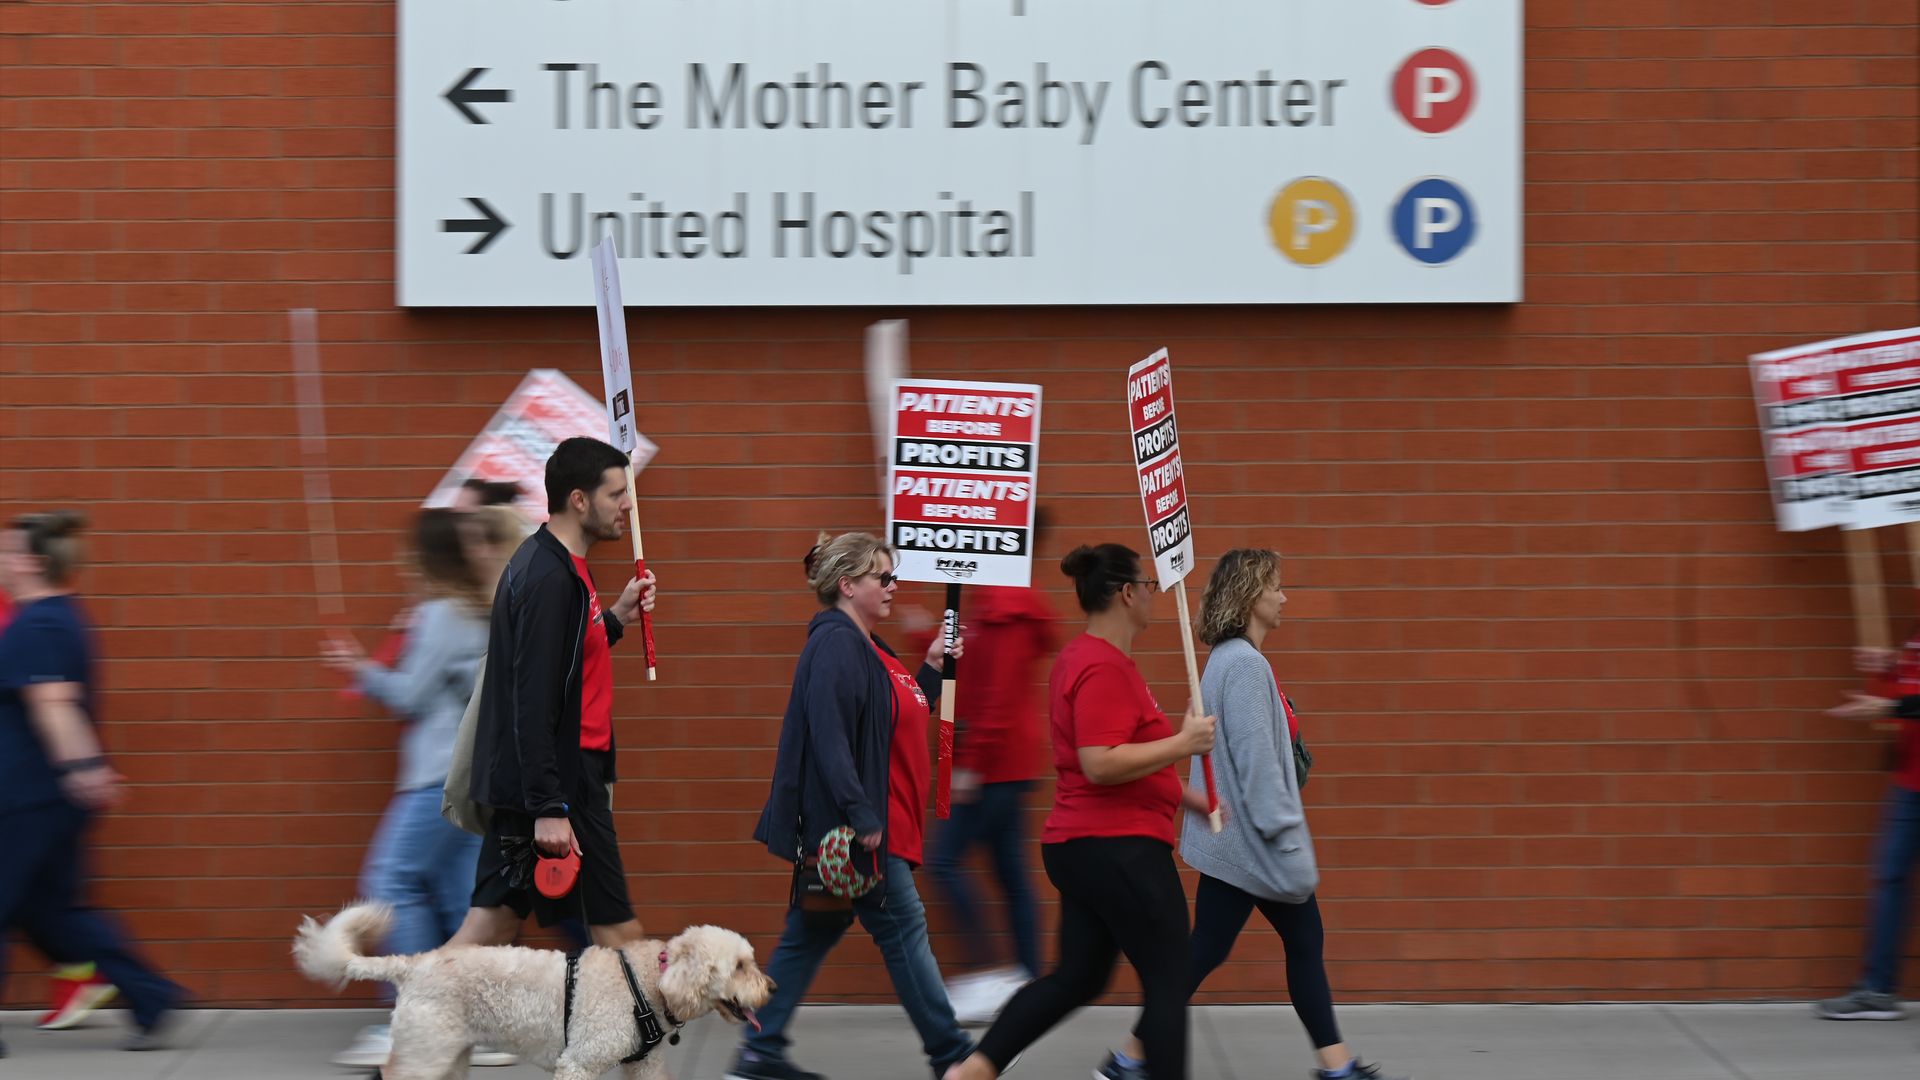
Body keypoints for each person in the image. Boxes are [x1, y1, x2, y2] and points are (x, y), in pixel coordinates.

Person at [1095, 549, 1406, 1080]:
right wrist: (1285, 833)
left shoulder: (1230, 659)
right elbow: (1258, 765)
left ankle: (1132, 1057)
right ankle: (1335, 1068)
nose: (1284, 598)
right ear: (1250, 596)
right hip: (1253, 843)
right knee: (1260, 946)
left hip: (1236, 842)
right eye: (1275, 587)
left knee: (1224, 949)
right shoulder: (1243, 665)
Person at [944, 543, 1216, 1080]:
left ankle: (974, 1070)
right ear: (1126, 593)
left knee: (1079, 976)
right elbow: (1099, 762)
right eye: (1148, 585)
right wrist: (1184, 743)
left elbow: (1124, 756)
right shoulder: (1102, 666)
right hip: (1119, 848)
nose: (1153, 595)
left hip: (1088, 846)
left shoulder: (1091, 659)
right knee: (1169, 976)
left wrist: (1188, 796)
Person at [729, 532, 973, 1080]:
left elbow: (898, 715)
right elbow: (830, 735)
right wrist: (862, 814)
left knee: (810, 933)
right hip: (862, 833)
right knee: (906, 934)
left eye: (893, 576)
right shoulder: (838, 643)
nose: (893, 586)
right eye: (882, 577)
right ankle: (954, 1056)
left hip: (872, 825)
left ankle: (758, 1053)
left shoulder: (869, 646)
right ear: (847, 584)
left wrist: (932, 666)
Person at [322, 508, 519, 1068]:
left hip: (437, 777)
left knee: (391, 882)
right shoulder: (476, 612)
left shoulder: (440, 615)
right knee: (460, 898)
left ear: (424, 559)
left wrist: (359, 667)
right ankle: (478, 1025)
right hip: (474, 777)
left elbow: (410, 696)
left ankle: (416, 1022)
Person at [443, 437, 657, 951]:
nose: (628, 505)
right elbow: (533, 697)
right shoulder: (549, 578)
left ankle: (420, 1001)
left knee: (490, 927)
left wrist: (616, 618)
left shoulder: (559, 566)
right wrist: (549, 806)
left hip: (555, 778)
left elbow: (564, 657)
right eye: (615, 494)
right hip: (562, 780)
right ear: (579, 500)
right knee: (619, 935)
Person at [0, 511, 184, 1056]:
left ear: (31, 562)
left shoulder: (40, 625)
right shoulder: (55, 617)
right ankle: (151, 997)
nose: (0, 560)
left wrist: (82, 770)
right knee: (55, 914)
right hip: (43, 796)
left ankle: (151, 995)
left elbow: (54, 705)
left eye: (7, 552)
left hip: (28, 798)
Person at [929, 513, 1056, 1024]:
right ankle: (1026, 980)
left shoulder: (1007, 605)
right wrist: (924, 638)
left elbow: (998, 697)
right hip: (1005, 762)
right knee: (1011, 873)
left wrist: (971, 765)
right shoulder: (996, 599)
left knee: (944, 863)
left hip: (996, 764)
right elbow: (973, 662)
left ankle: (993, 975)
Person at [1817, 637, 1920, 1021]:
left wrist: (1892, 706)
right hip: (1911, 782)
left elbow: (1902, 702)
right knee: (1890, 876)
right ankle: (1878, 991)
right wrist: (1890, 667)